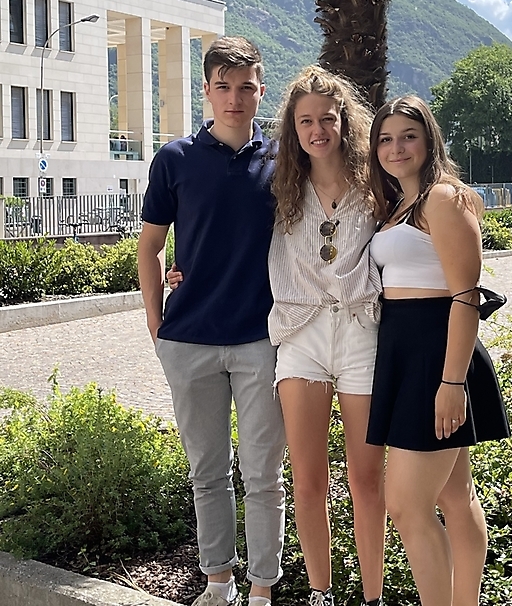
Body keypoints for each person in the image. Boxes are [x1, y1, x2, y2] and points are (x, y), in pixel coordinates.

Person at [138, 36, 286, 606]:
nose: (234, 98)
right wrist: (157, 328)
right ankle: (218, 582)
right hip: (190, 340)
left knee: (263, 474)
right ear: (206, 90)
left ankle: (262, 589)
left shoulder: (282, 161)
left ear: (260, 90)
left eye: (245, 87)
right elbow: (150, 248)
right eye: (223, 87)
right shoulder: (174, 160)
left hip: (261, 340)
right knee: (208, 473)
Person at [366, 95, 510, 606]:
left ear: (429, 140)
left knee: (406, 506)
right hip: (406, 353)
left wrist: (451, 383)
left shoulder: (443, 198)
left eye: (408, 136)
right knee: (454, 494)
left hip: (437, 355)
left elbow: (466, 295)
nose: (396, 148)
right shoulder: (399, 205)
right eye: (386, 139)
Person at [267, 67, 386, 606]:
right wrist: (184, 273)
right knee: (308, 482)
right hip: (301, 335)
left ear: (345, 121)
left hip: (362, 332)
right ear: (293, 128)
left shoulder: (375, 183)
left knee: (367, 479)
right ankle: (321, 595)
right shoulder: (278, 187)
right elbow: (222, 232)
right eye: (306, 121)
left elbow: (427, 200)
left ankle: (372, 597)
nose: (318, 130)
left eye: (327, 119)